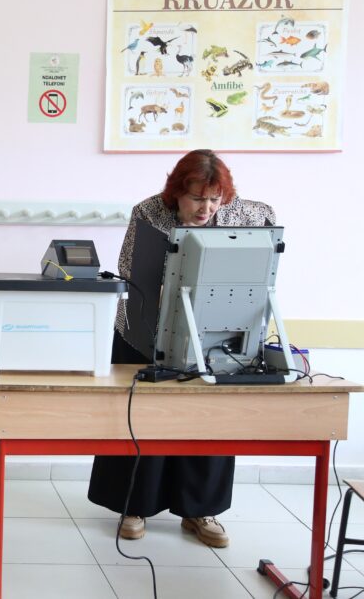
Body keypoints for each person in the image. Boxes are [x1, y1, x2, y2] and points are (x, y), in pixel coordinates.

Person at [87, 149, 275, 548]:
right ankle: (133, 506)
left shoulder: (249, 215)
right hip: (146, 329)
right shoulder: (149, 213)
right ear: (176, 193)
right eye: (196, 199)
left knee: (208, 420)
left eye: (214, 200)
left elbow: (264, 268)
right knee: (143, 418)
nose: (206, 208)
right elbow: (133, 277)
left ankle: (199, 510)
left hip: (215, 334)